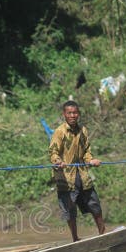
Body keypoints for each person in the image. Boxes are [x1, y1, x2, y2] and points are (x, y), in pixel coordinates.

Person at [48, 100, 106, 242]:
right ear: (64, 115)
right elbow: (53, 152)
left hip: (82, 174)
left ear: (78, 114)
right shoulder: (60, 132)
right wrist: (58, 162)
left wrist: (91, 160)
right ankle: (75, 239)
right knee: (70, 210)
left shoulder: (83, 131)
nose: (73, 115)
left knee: (95, 205)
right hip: (65, 177)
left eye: (75, 113)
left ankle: (103, 234)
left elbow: (86, 151)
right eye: (69, 113)